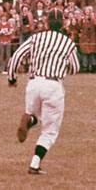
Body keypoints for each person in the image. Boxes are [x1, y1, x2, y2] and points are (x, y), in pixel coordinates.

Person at [7, 9, 80, 174]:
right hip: (53, 85)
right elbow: (76, 68)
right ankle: (35, 163)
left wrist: (12, 78)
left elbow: (17, 56)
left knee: (35, 114)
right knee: (49, 131)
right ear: (63, 23)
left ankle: (30, 119)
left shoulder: (36, 37)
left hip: (33, 82)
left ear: (46, 22)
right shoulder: (67, 42)